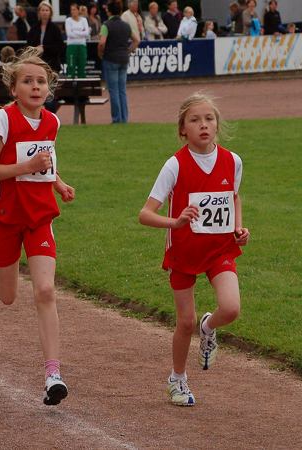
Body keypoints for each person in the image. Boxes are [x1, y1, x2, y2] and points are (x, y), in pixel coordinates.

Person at [0, 46, 75, 406]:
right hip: (4, 215)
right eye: (27, 81)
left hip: (39, 216)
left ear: (49, 87)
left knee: (45, 291)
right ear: (13, 88)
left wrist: (58, 183)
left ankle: (53, 375)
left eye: (41, 81)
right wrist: (26, 168)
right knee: (8, 296)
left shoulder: (53, 121)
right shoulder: (4, 118)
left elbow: (44, 162)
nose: (36, 86)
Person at [139, 92, 250, 406]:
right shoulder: (175, 164)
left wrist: (239, 228)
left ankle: (209, 326)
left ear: (217, 124)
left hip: (220, 248)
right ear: (182, 129)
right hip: (184, 252)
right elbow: (145, 213)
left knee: (230, 308)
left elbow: (234, 197)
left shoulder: (233, 160)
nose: (204, 125)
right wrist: (175, 222)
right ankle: (177, 379)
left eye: (209, 118)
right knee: (184, 323)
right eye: (195, 120)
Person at [98, 0, 139, 124]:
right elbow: (136, 40)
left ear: (109, 11)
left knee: (113, 90)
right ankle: (124, 118)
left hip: (110, 58)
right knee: (122, 90)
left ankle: (116, 119)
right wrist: (128, 51)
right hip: (123, 59)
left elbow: (102, 43)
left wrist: (100, 54)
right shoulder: (126, 25)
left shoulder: (106, 25)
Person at [27, 1, 64, 75]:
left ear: (50, 12)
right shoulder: (33, 28)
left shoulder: (55, 28)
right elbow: (28, 45)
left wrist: (44, 48)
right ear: (39, 12)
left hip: (51, 65)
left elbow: (60, 46)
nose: (44, 12)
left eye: (47, 10)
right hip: (36, 63)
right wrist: (35, 49)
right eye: (42, 10)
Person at [65, 3, 89, 78]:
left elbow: (87, 33)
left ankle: (81, 86)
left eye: (74, 9)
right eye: (71, 10)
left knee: (82, 67)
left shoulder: (84, 20)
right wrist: (81, 33)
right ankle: (70, 86)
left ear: (78, 10)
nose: (72, 11)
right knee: (71, 67)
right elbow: (69, 34)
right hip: (71, 46)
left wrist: (74, 32)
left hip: (82, 46)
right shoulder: (68, 20)